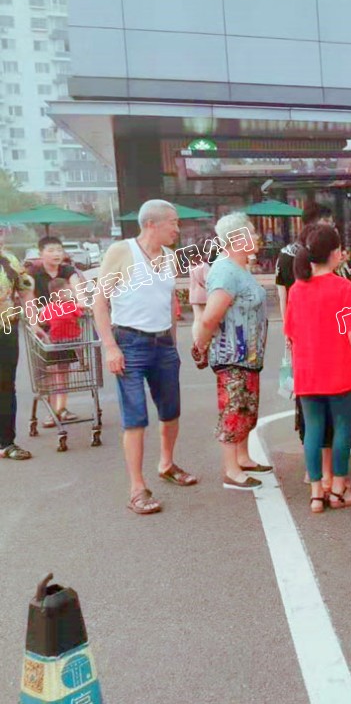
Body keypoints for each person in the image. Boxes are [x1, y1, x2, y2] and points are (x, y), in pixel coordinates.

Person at [93, 199, 198, 515]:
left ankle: (166, 463)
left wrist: (174, 342)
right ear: (151, 224)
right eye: (173, 223)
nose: (177, 229)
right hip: (130, 342)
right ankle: (137, 488)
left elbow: (169, 302)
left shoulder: (168, 258)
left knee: (171, 412)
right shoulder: (122, 251)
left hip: (163, 343)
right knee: (135, 416)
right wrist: (110, 346)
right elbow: (99, 301)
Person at [283, 224, 351, 513]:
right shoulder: (343, 288)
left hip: (308, 370)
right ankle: (339, 490)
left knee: (314, 429)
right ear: (334, 254)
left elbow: (291, 334)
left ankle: (317, 493)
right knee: (343, 426)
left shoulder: (297, 289)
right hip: (339, 367)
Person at [192, 213, 270, 491]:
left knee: (246, 407)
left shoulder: (239, 268)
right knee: (234, 409)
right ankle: (232, 469)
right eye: (251, 232)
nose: (257, 236)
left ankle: (243, 458)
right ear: (237, 238)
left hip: (247, 355)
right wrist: (200, 345)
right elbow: (211, 316)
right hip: (232, 355)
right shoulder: (226, 271)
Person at [27, 236, 84, 425]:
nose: (56, 254)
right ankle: (52, 411)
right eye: (51, 250)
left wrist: (80, 302)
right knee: (49, 370)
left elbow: (79, 292)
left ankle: (61, 408)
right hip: (45, 328)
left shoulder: (68, 271)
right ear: (41, 253)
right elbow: (28, 299)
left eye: (59, 250)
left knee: (63, 368)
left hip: (65, 328)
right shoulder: (33, 274)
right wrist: (35, 319)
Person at [0, 229, 36, 460]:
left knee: (5, 385)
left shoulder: (9, 261)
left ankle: (6, 442)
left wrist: (35, 323)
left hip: (6, 328)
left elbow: (25, 291)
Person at [188, 241, 214, 344]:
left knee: (197, 319)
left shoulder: (191, 265)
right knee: (206, 319)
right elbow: (207, 280)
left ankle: (196, 340)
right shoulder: (204, 266)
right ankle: (205, 339)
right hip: (204, 295)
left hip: (194, 294)